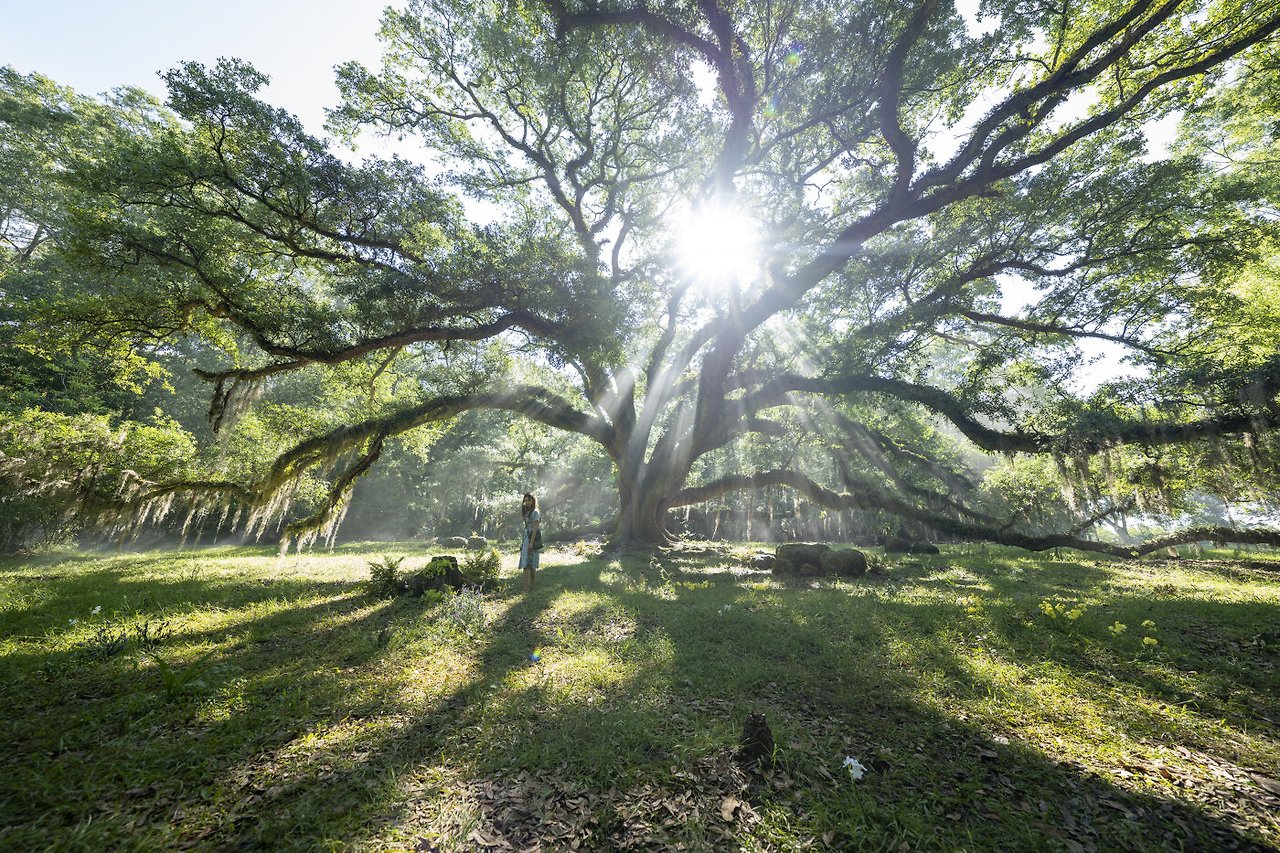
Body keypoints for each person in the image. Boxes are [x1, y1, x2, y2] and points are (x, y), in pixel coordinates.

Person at [519, 492, 541, 591]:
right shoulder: (526, 511)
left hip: (533, 538)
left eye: (529, 500)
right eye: (525, 500)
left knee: (531, 564)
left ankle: (531, 586)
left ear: (533, 500)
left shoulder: (535, 512)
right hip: (526, 538)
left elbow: (535, 528)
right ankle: (525, 586)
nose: (527, 502)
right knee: (525, 563)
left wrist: (531, 543)